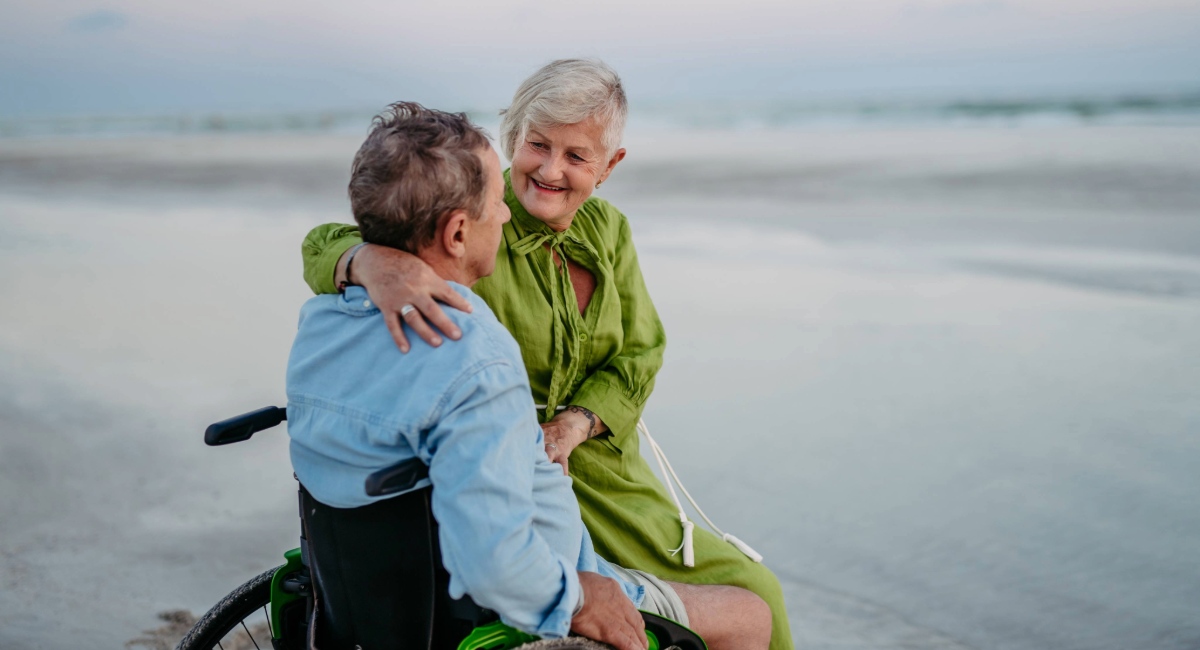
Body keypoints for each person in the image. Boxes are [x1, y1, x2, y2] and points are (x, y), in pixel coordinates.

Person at [301, 59, 792, 650]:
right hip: (507, 467)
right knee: (734, 610)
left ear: (610, 166)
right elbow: (335, 237)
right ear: (514, 138)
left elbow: (640, 353)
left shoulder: (608, 231)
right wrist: (368, 261)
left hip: (604, 467)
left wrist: (577, 424)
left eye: (577, 156)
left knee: (757, 586)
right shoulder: (472, 214)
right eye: (538, 145)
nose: (551, 170)